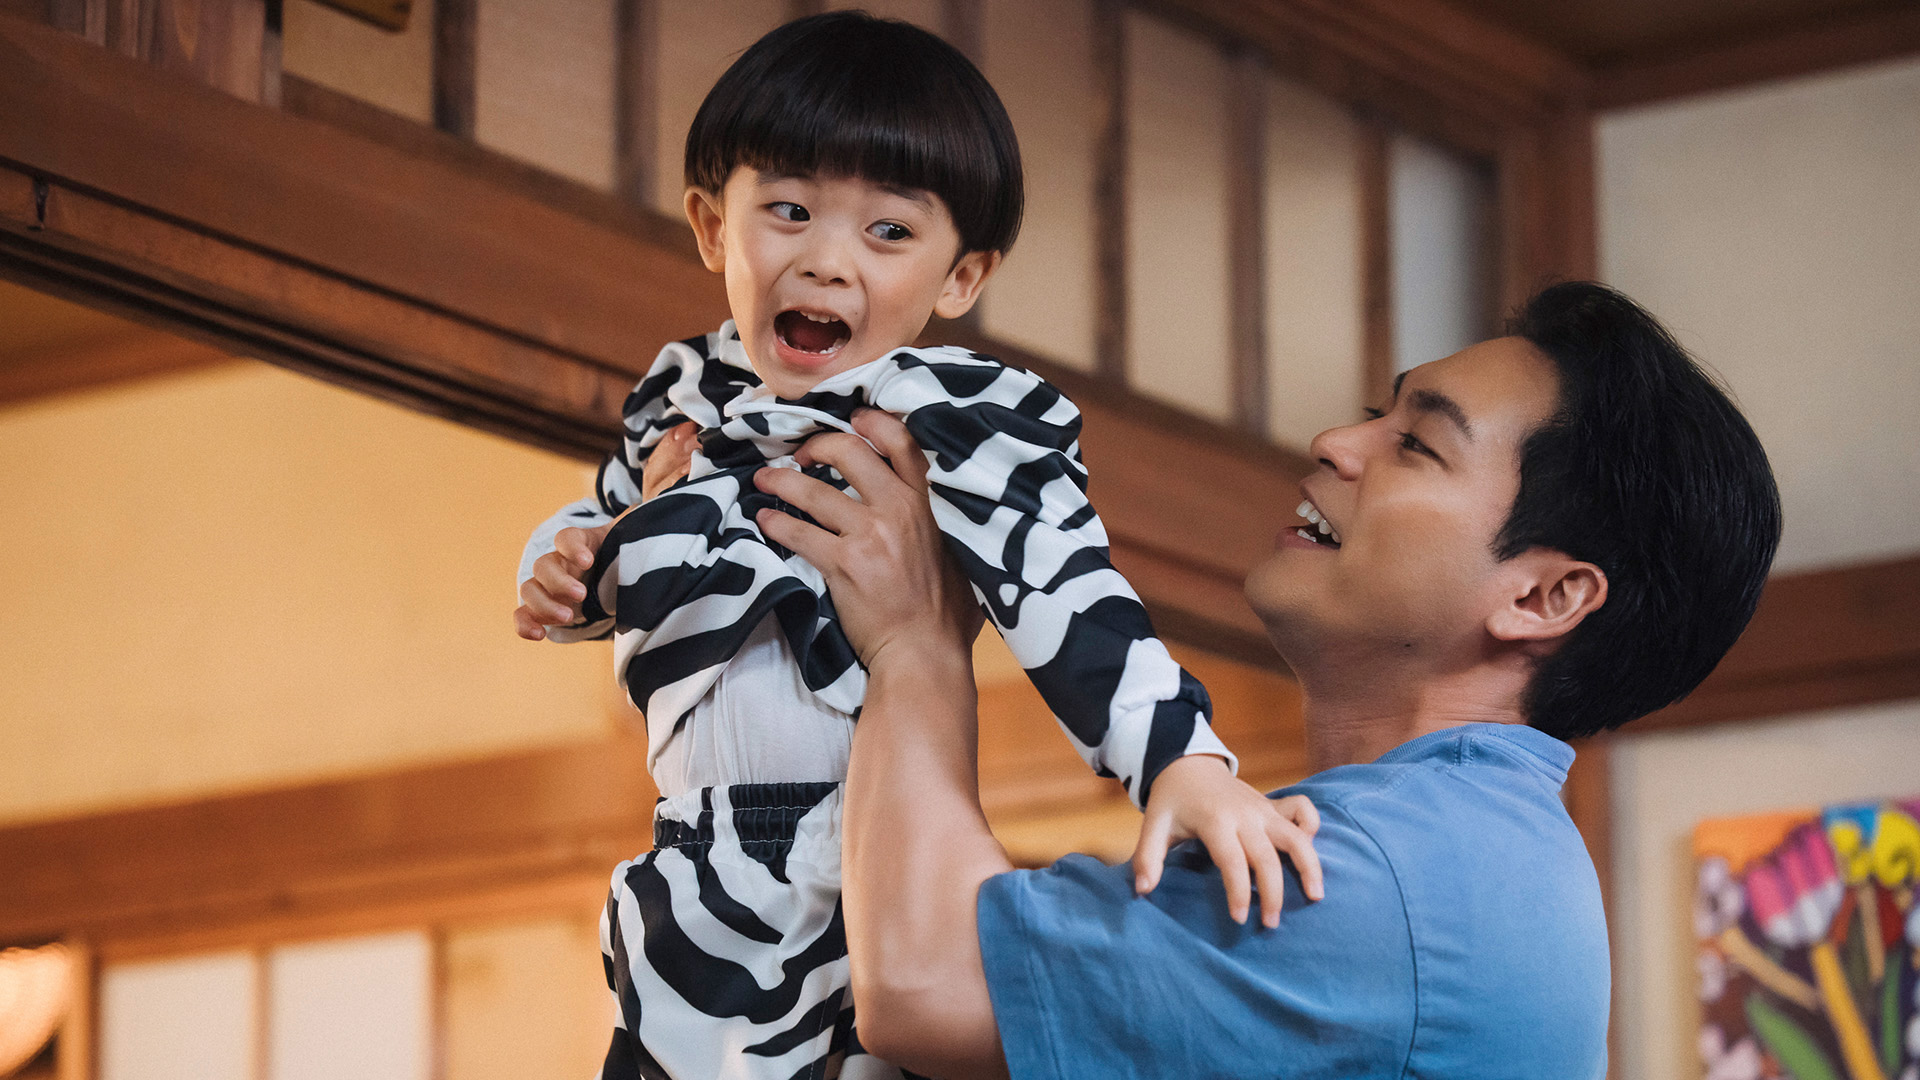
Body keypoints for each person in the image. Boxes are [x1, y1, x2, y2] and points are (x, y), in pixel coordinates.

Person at [510, 13, 1318, 1079]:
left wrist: (1182, 760)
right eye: (788, 212)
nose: (829, 261)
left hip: (859, 852)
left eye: (889, 233)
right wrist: (565, 561)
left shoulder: (953, 412)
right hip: (686, 861)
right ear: (713, 226)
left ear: (961, 279)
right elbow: (602, 516)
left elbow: (1062, 575)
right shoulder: (683, 399)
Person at [751, 282, 1784, 1079]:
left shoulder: (1385, 872)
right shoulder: (1475, 855)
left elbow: (928, 983)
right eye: (1375, 414)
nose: (1337, 443)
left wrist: (918, 644)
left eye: (1417, 444)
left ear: (1546, 597)